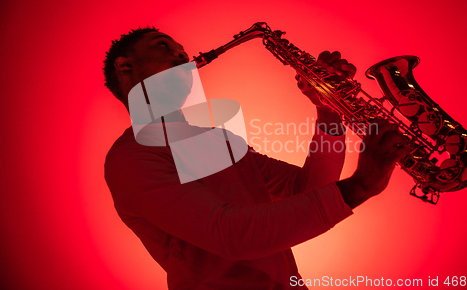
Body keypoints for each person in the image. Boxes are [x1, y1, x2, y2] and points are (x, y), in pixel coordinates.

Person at [103, 27, 410, 289]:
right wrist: (362, 185)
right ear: (124, 65)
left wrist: (328, 112)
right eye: (163, 46)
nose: (183, 56)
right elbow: (232, 235)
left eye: (182, 51)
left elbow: (308, 190)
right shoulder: (130, 157)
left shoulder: (219, 140)